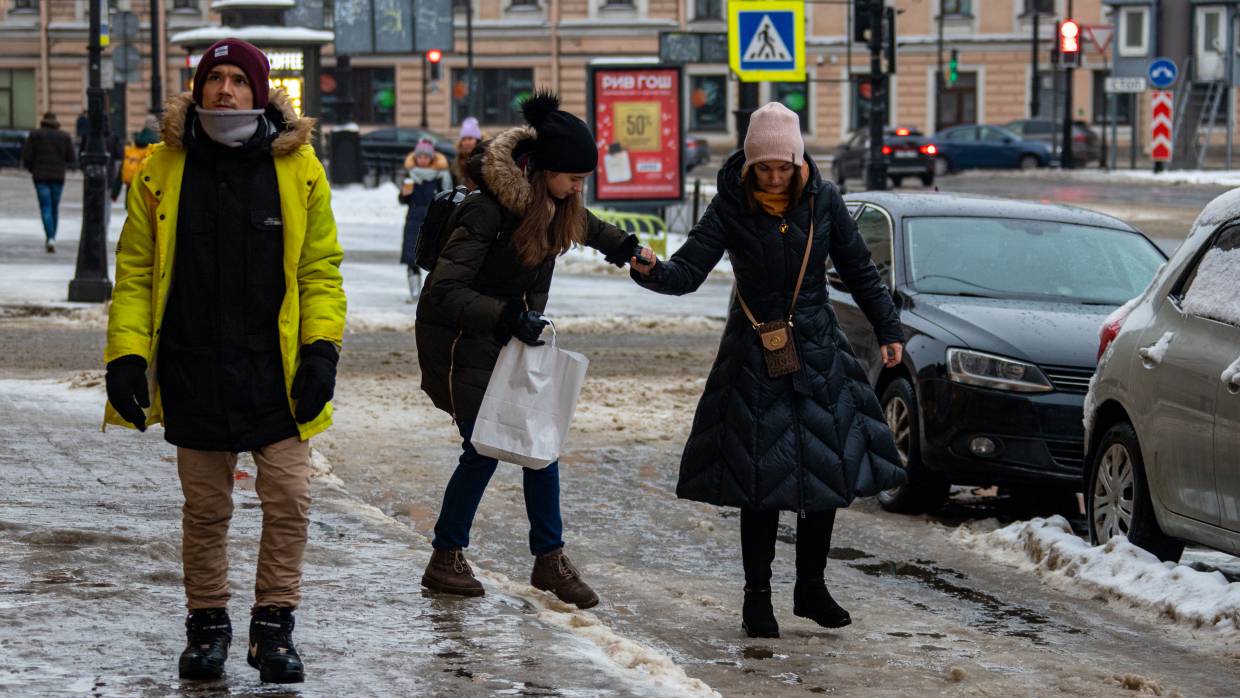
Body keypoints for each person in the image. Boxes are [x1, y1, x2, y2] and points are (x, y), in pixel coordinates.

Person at [102, 38, 346, 684]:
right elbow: (133, 275)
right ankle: (207, 626)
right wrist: (126, 355)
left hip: (279, 375)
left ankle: (274, 629)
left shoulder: (300, 169)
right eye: (217, 78)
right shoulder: (161, 169)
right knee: (206, 511)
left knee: (290, 498)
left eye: (241, 79)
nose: (227, 90)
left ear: (261, 92)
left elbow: (320, 271)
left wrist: (322, 351)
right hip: (193, 369)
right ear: (199, 89)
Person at [630, 102, 907, 638]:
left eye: (784, 166)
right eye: (765, 168)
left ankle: (811, 588)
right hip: (755, 352)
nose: (775, 177)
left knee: (826, 472)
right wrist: (651, 272)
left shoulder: (824, 200)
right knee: (759, 479)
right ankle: (757, 598)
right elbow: (688, 270)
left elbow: (860, 270)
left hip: (819, 350)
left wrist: (889, 330)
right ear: (750, 164)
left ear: (799, 161)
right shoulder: (732, 203)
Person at [415, 90, 640, 608]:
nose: (578, 188)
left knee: (539, 445)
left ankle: (545, 559)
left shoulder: (554, 203)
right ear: (541, 171)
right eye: (573, 178)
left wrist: (627, 249)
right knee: (484, 449)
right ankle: (448, 557)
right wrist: (507, 315)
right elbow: (443, 291)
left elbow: (588, 225)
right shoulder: (486, 211)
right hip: (459, 343)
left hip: (508, 340)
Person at [399, 137, 453, 301]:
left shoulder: (440, 177)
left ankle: (433, 290)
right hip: (414, 221)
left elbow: (448, 198)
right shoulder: (411, 177)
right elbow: (402, 200)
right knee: (411, 257)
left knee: (437, 258)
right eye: (419, 156)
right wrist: (404, 194)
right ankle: (414, 290)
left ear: (431, 158)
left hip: (434, 222)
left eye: (425, 156)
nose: (422, 160)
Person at [20, 112, 75, 253]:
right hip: (58, 177)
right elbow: (71, 157)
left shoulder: (35, 135)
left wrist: (32, 169)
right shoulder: (64, 136)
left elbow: (27, 156)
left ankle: (50, 236)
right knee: (54, 207)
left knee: (45, 207)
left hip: (40, 176)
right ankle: (52, 237)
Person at [117, 114, 161, 208]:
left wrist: (115, 192)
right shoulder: (157, 143)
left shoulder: (135, 142)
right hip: (147, 186)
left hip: (132, 184)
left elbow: (122, 168)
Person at [454, 116, 483, 190]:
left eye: (470, 139)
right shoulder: (457, 161)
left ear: (477, 140)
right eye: (464, 139)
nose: (466, 142)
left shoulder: (485, 158)